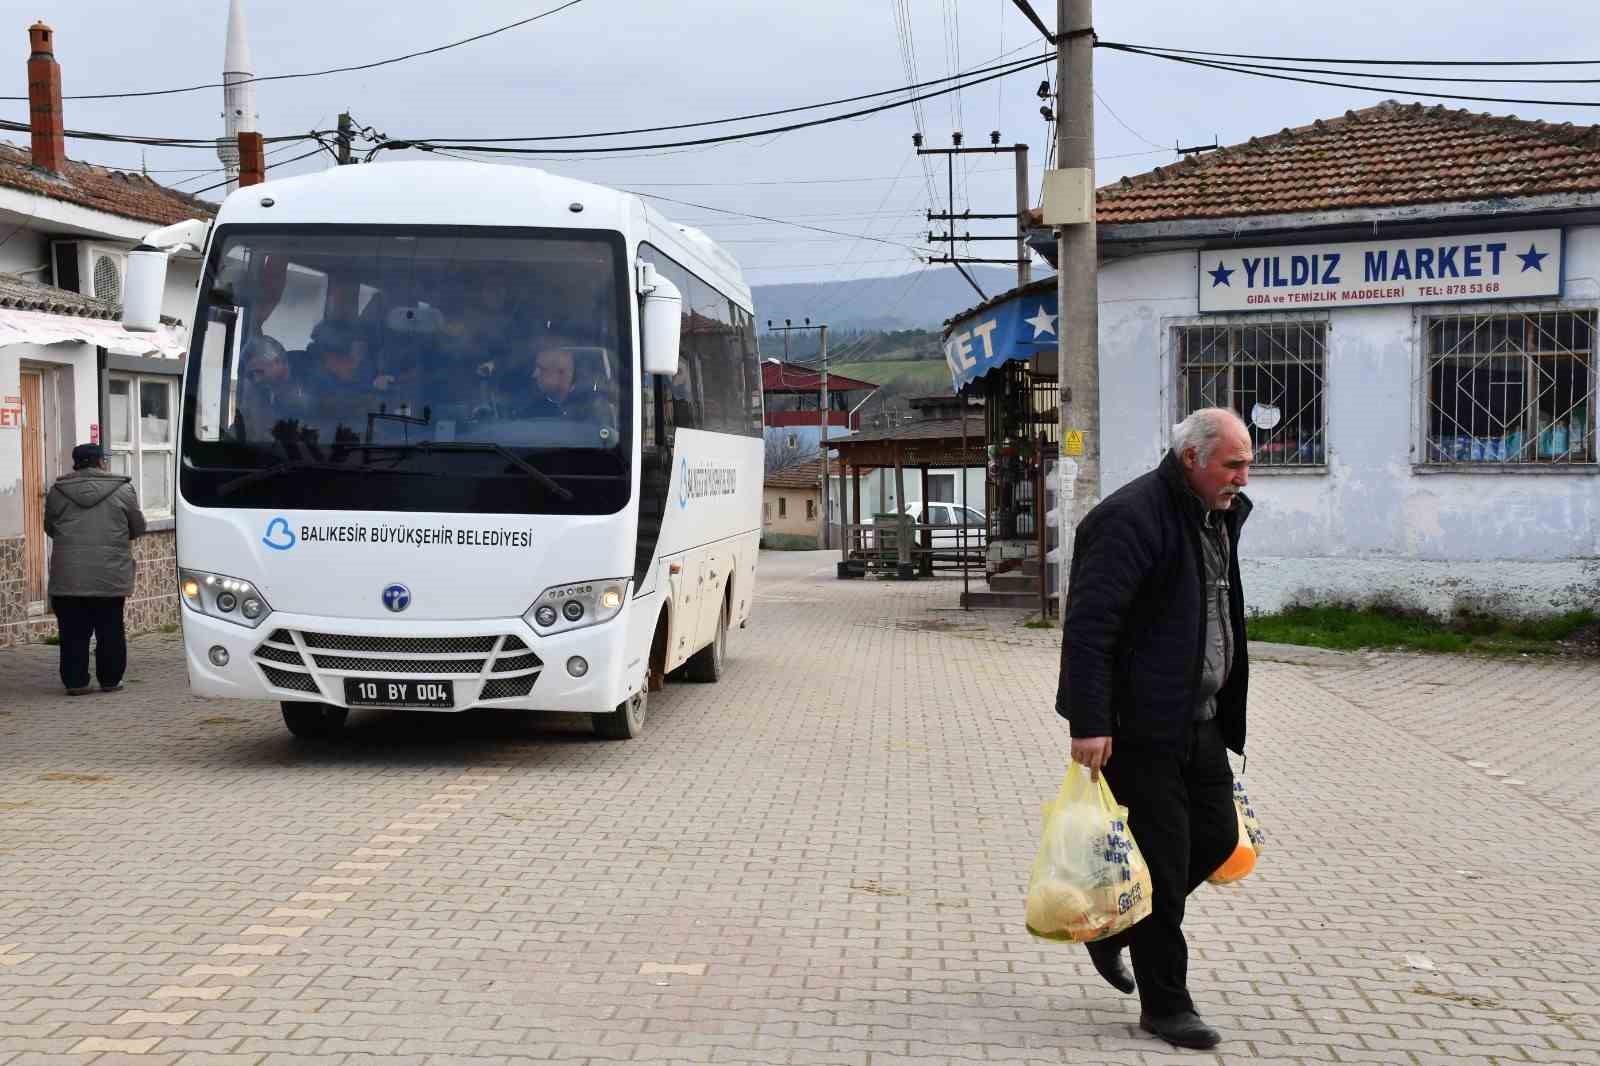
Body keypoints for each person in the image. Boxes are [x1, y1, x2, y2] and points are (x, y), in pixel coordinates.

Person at [1054, 406, 1254, 1051]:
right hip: (1139, 726)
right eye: (1233, 464)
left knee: (1219, 838)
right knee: (1164, 869)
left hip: (1198, 719)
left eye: (1248, 463)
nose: (1244, 477)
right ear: (1192, 458)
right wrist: (1089, 720)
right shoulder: (1128, 518)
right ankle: (1166, 1005)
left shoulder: (1216, 514)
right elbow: (1090, 628)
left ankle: (1114, 931)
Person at [43, 443, 147, 696]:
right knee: (110, 628)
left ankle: (76, 682)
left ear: (76, 463)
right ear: (101, 462)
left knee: (72, 632)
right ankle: (110, 680)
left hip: (69, 575)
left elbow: (50, 528)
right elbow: (137, 528)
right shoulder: (123, 489)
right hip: (109, 574)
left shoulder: (57, 492)